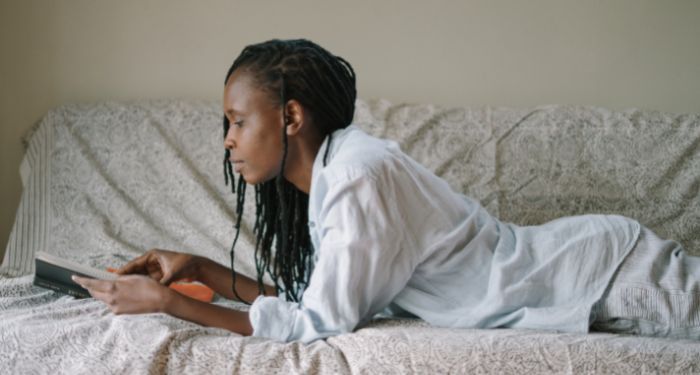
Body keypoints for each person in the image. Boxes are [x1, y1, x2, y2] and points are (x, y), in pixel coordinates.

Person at [73, 38, 700, 343]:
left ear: (290, 118)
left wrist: (169, 302)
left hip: (604, 275)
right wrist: (202, 270)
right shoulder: (338, 178)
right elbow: (316, 298)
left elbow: (315, 324)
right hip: (588, 276)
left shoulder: (358, 176)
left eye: (238, 123)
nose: (228, 141)